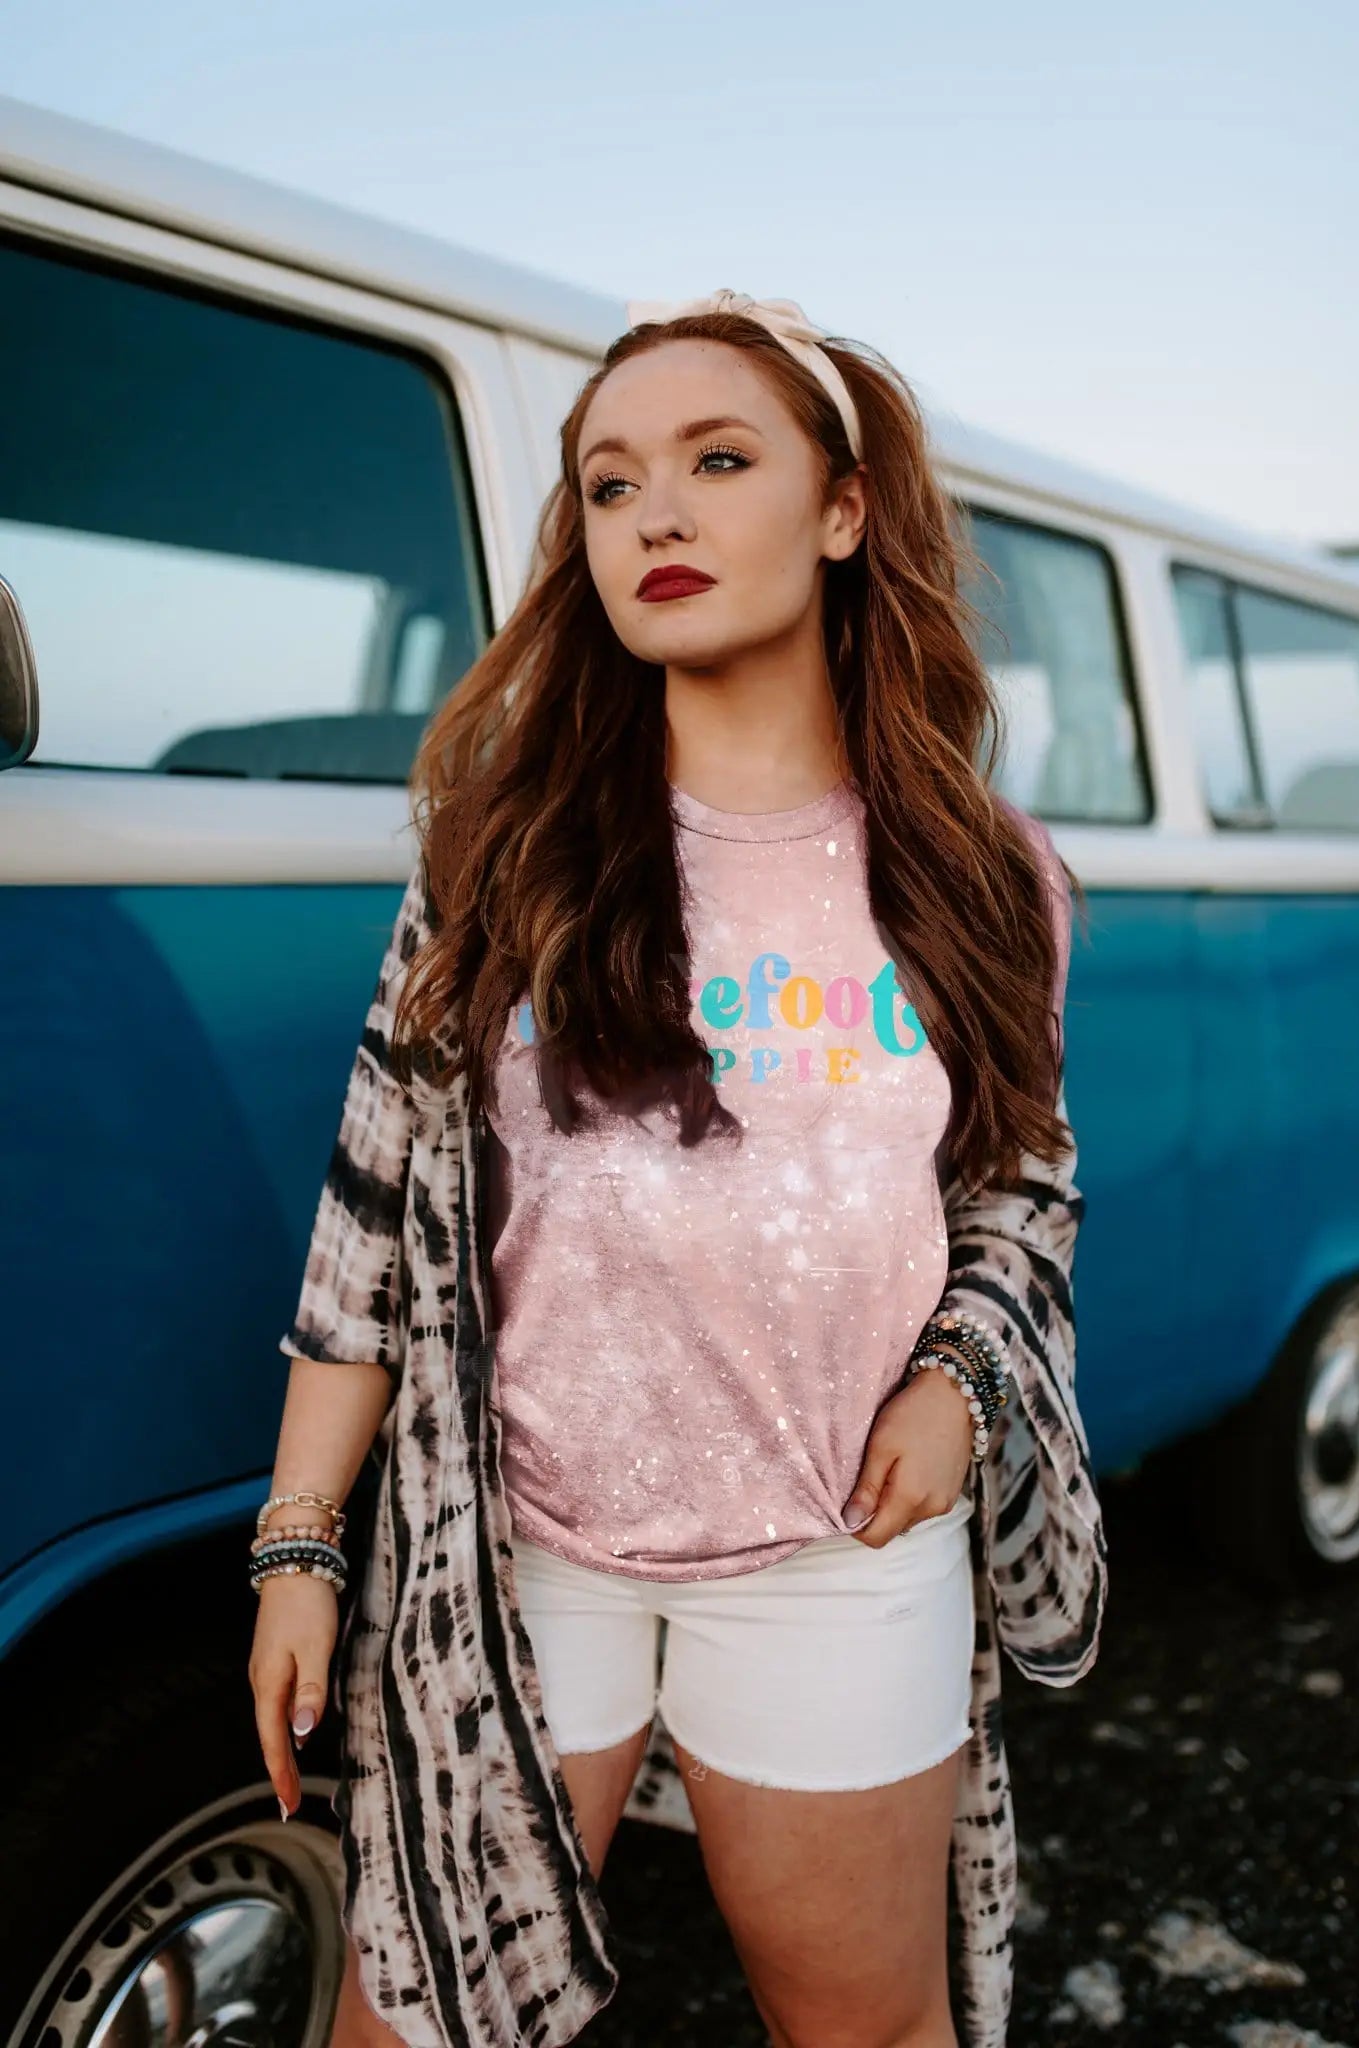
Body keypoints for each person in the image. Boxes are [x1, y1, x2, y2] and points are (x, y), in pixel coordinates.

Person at [248, 289, 1109, 2048]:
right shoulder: (503, 848)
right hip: (517, 1550)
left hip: (836, 1546)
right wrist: (300, 1542)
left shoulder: (985, 873)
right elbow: (370, 1219)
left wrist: (957, 1379)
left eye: (720, 461)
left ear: (844, 510)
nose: (658, 515)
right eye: (613, 482)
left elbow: (1021, 1183)